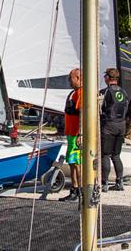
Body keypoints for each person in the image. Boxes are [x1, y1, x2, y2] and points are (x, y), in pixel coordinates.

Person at [100, 67, 129, 192]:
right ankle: (119, 182)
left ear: (107, 78)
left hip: (109, 125)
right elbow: (126, 107)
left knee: (105, 155)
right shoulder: (123, 92)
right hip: (121, 125)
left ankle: (104, 183)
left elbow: (99, 109)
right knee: (116, 155)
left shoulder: (105, 92)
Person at [59, 68, 82, 202]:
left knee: (76, 162)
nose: (69, 81)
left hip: (76, 134)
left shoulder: (81, 93)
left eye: (70, 78)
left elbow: (83, 113)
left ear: (78, 78)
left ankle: (78, 189)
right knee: (72, 162)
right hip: (71, 133)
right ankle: (74, 189)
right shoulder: (74, 93)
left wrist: (81, 133)